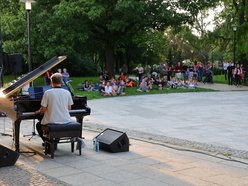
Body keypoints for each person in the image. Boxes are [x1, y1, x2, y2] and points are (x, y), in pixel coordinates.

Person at [36, 73, 74, 152]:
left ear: (51, 82)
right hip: (66, 120)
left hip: (53, 121)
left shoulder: (48, 93)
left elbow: (42, 110)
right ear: (61, 82)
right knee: (58, 124)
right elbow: (69, 108)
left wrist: (38, 111)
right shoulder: (67, 92)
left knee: (39, 125)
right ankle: (55, 142)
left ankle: (49, 144)